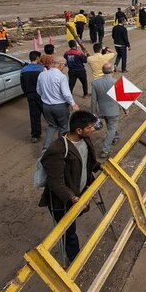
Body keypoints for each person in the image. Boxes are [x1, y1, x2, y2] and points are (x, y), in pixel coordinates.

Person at [38, 110, 100, 264]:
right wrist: (72, 197)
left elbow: (87, 161)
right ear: (79, 130)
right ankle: (75, 261)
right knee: (69, 233)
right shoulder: (57, 149)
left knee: (72, 228)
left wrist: (99, 166)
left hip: (79, 194)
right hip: (62, 202)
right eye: (90, 127)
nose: (93, 129)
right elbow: (54, 182)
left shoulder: (85, 140)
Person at [37, 58, 79, 151]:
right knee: (63, 127)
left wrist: (46, 98)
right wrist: (73, 104)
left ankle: (45, 149)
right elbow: (66, 93)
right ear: (61, 65)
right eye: (65, 65)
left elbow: (38, 90)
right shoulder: (61, 77)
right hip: (60, 106)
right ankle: (61, 149)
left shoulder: (42, 74)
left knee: (51, 126)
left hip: (46, 106)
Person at [91, 63, 121, 159]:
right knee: (111, 129)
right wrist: (126, 109)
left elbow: (93, 100)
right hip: (114, 110)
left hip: (103, 110)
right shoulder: (116, 82)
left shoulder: (96, 83)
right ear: (112, 70)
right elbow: (121, 98)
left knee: (110, 126)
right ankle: (105, 150)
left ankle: (115, 137)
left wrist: (94, 112)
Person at [20, 51, 45, 143]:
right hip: (41, 94)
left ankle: (35, 135)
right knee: (46, 112)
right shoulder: (41, 69)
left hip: (30, 95)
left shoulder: (23, 70)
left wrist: (26, 93)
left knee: (34, 115)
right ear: (37, 58)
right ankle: (54, 127)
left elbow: (22, 85)